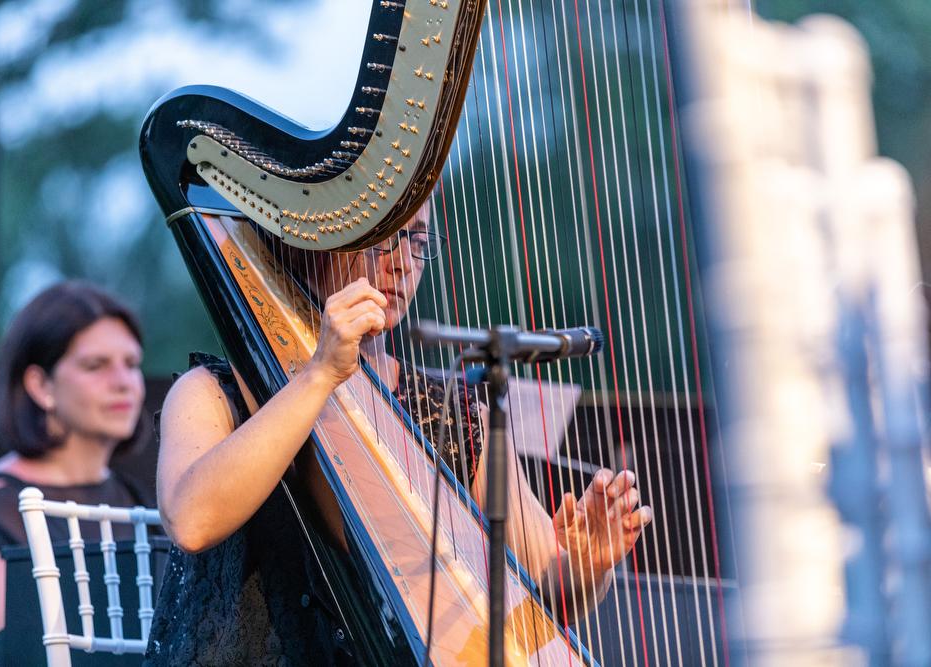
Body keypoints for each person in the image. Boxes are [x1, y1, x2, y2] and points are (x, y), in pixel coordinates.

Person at [145, 202, 652, 665]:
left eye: (418, 240)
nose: (402, 262)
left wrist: (587, 568)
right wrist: (320, 373)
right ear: (308, 241)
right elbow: (192, 521)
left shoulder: (455, 409)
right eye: (380, 239)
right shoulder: (212, 392)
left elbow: (538, 599)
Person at [0, 281, 151, 640]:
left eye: (132, 364)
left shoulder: (134, 496)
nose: (124, 382)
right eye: (96, 365)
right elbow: (23, 654)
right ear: (41, 386)